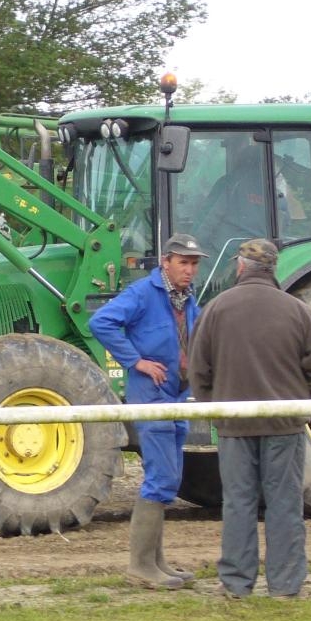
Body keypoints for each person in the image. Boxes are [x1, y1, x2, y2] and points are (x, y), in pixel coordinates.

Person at [188, 239, 311, 599]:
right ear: (273, 269)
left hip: (233, 425)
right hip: (284, 425)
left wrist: (216, 407)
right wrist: (301, 402)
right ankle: (285, 586)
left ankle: (237, 585)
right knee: (284, 503)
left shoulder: (216, 309)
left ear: (240, 267)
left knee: (238, 504)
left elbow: (197, 369)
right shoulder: (297, 310)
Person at [89, 232, 205, 589]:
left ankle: (157, 562)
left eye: (194, 264)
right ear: (165, 262)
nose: (189, 270)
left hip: (177, 393)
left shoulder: (187, 300)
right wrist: (136, 361)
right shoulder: (142, 294)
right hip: (151, 392)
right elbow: (101, 322)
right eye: (183, 263)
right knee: (161, 478)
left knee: (168, 479)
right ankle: (141, 566)